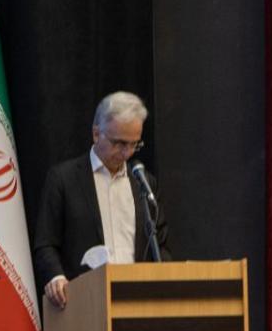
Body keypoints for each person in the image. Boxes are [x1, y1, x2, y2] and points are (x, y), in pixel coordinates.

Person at [32, 91, 170, 309]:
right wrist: (56, 277)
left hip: (138, 303)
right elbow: (46, 244)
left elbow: (160, 245)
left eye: (134, 144)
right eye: (119, 143)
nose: (127, 153)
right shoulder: (64, 179)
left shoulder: (144, 183)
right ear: (96, 134)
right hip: (84, 304)